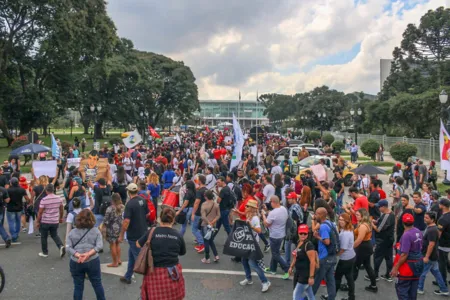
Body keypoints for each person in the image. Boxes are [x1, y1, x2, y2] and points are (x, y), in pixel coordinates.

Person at [137, 207, 186, 300]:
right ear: (173, 220)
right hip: (172, 273)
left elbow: (138, 244)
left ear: (160, 218)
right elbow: (182, 252)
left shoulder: (152, 231)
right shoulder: (178, 235)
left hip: (154, 271)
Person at [66, 209, 105, 300]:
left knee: (78, 286)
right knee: (97, 284)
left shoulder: (72, 232)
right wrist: (87, 254)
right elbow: (99, 246)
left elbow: (68, 247)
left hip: (76, 261)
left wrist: (78, 255)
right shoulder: (96, 231)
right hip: (92, 260)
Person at [118, 183, 149, 284]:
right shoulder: (142, 200)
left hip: (133, 234)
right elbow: (147, 214)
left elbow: (126, 221)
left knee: (139, 259)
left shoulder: (130, 204)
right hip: (143, 231)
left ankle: (149, 282)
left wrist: (122, 235)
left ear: (128, 192)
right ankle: (128, 276)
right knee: (131, 255)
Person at [239, 199, 271, 293]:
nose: (246, 207)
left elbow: (259, 231)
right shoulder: (249, 216)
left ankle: (265, 282)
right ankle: (248, 279)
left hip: (253, 244)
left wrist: (251, 226)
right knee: (244, 260)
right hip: (247, 243)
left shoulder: (255, 218)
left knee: (253, 264)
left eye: (247, 206)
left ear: (252, 208)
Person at [390, 213, 423, 300]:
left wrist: (396, 268)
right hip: (418, 263)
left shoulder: (406, 235)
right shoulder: (418, 231)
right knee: (413, 290)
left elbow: (404, 254)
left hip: (408, 266)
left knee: (402, 290)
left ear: (402, 222)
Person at [418, 211, 448, 295]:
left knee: (422, 273)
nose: (424, 219)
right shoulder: (431, 228)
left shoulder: (432, 230)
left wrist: (426, 257)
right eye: (424, 217)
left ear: (432, 219)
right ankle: (444, 289)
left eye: (427, 218)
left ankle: (420, 289)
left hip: (430, 256)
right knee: (436, 272)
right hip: (434, 255)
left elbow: (431, 244)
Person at [311, 207, 337, 300]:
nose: (315, 215)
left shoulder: (323, 226)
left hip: (325, 257)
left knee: (316, 280)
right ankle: (331, 297)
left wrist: (318, 237)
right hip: (332, 256)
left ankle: (309, 297)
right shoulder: (330, 223)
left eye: (316, 213)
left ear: (321, 215)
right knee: (330, 281)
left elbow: (327, 242)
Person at [262, 195, 290, 279]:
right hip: (281, 234)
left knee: (275, 254)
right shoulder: (283, 209)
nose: (270, 203)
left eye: (270, 202)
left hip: (274, 235)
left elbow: (266, 223)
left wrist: (263, 215)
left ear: (273, 202)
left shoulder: (273, 213)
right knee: (275, 252)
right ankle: (272, 269)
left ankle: (287, 269)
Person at [36, 183, 65, 258]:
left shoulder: (44, 200)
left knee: (44, 236)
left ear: (46, 190)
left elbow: (40, 212)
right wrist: (61, 218)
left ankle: (45, 252)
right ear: (53, 189)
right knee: (54, 235)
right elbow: (61, 210)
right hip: (55, 220)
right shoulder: (59, 198)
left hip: (45, 221)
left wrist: (38, 222)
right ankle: (60, 246)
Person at [353, 208, 378, 293]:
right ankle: (374, 286)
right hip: (366, 246)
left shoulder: (363, 226)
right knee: (368, 266)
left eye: (358, 215)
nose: (356, 216)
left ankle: (350, 285)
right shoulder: (366, 223)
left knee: (355, 266)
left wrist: (351, 247)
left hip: (362, 247)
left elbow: (359, 239)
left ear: (363, 216)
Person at [289, 224, 316, 300]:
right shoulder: (299, 242)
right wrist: (291, 266)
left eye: (305, 233)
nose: (303, 235)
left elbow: (313, 262)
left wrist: (311, 277)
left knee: (296, 296)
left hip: (305, 275)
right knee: (310, 295)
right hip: (298, 273)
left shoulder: (308, 245)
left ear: (308, 234)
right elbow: (295, 257)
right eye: (301, 233)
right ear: (298, 233)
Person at [372, 199, 395, 282]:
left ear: (384, 207)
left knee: (377, 257)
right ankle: (388, 275)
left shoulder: (386, 216)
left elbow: (378, 229)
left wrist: (372, 224)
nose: (378, 209)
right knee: (388, 257)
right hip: (389, 239)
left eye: (379, 207)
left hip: (382, 240)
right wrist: (376, 221)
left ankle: (375, 275)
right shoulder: (391, 213)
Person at [334, 213, 356, 300]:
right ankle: (351, 297)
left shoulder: (346, 233)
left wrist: (335, 255)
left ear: (346, 221)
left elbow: (342, 249)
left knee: (337, 277)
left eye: (342, 220)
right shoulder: (348, 229)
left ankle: (332, 295)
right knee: (349, 277)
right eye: (339, 219)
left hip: (346, 259)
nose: (340, 221)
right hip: (351, 257)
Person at [102, 193, 124, 268]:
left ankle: (114, 262)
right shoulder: (122, 207)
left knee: (112, 244)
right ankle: (119, 259)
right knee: (117, 243)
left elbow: (106, 220)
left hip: (111, 228)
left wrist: (103, 227)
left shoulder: (110, 209)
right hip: (119, 228)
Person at [6, 177, 30, 242]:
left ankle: (13, 235)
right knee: (18, 221)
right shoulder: (22, 189)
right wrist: (28, 203)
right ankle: (16, 234)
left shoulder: (8, 190)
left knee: (11, 222)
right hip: (19, 207)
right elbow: (27, 198)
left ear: (11, 183)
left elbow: (7, 199)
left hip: (10, 208)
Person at [200, 190, 220, 263]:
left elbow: (203, 217)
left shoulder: (204, 204)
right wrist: (212, 222)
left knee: (206, 241)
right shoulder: (216, 205)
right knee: (211, 240)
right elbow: (218, 215)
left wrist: (208, 222)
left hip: (205, 225)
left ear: (206, 196)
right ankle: (216, 255)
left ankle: (207, 258)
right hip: (212, 225)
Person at [285, 191, 303, 266]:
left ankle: (287, 263)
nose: (288, 200)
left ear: (294, 199)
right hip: (297, 231)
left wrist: (291, 234)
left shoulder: (294, 208)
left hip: (293, 232)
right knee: (296, 248)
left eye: (289, 198)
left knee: (288, 247)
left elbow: (294, 222)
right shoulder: (297, 206)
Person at [192, 175, 207, 253]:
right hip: (205, 212)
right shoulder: (206, 190)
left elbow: (196, 203)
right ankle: (201, 244)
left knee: (194, 229)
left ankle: (202, 244)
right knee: (200, 229)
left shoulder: (199, 191)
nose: (196, 181)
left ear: (200, 181)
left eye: (197, 180)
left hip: (198, 212)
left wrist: (193, 213)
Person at [437, 198, 450, 288]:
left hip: (443, 244)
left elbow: (439, 234)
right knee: (446, 262)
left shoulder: (443, 219)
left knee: (442, 265)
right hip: (448, 243)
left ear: (443, 206)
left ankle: (443, 283)